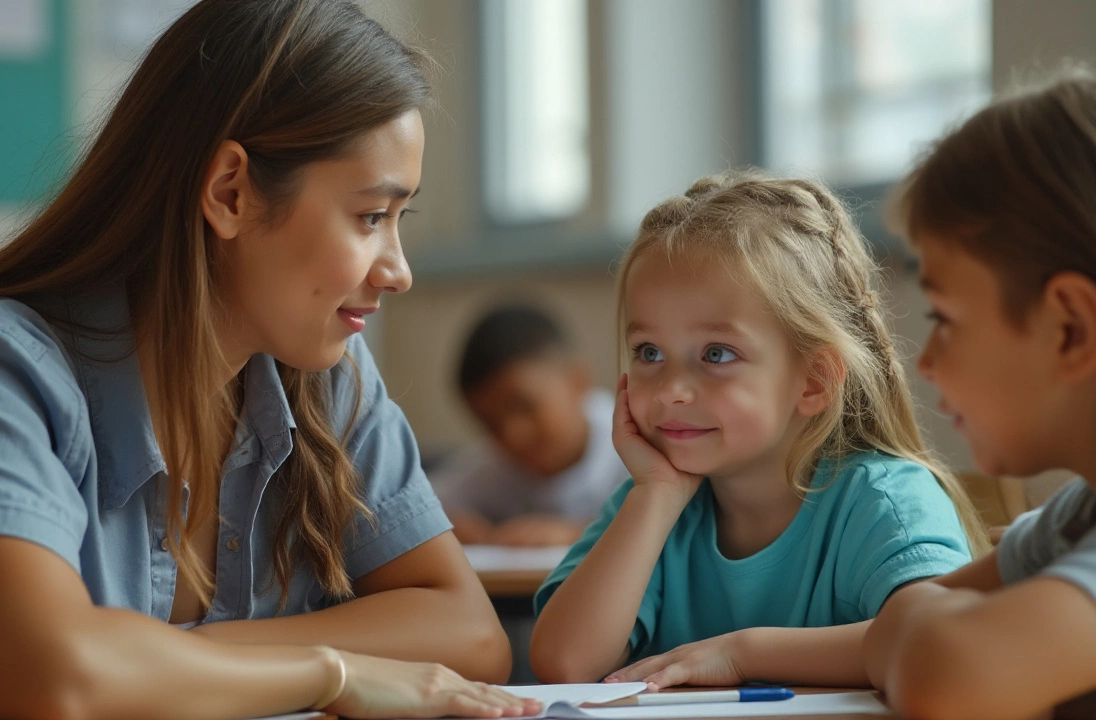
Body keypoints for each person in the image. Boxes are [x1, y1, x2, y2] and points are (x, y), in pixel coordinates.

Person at [0, 2, 538, 719]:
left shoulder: (328, 380)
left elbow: (468, 634)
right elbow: (59, 681)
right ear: (230, 193)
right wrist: (333, 671)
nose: (399, 271)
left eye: (399, 221)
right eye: (370, 217)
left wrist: (151, 661)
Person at [530, 171, 988, 688]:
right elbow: (563, 664)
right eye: (649, 352)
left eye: (716, 354)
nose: (671, 390)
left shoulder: (883, 500)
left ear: (813, 381)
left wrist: (744, 654)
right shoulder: (651, 508)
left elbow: (936, 646)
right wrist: (656, 495)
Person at [863, 71, 1096, 720]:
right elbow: (899, 632)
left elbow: (948, 677)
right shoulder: (1078, 516)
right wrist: (737, 650)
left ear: (1069, 327)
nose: (928, 362)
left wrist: (924, 620)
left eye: (943, 318)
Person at [432, 304, 628, 547]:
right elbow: (422, 506)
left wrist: (579, 534)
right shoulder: (493, 466)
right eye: (491, 424)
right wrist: (451, 524)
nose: (513, 435)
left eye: (525, 406)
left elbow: (676, 526)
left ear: (577, 381)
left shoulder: (636, 451)